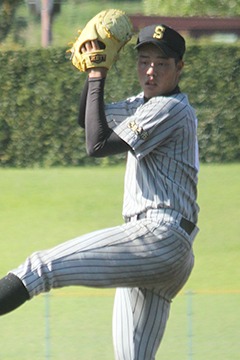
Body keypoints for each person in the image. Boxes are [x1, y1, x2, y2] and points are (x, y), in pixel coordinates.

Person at [0, 24, 199, 360]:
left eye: (162, 63)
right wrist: (96, 72)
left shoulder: (171, 109)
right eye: (144, 60)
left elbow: (97, 145)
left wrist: (96, 74)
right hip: (166, 251)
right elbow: (89, 121)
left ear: (179, 67)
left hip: (158, 236)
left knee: (40, 268)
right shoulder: (145, 105)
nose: (150, 70)